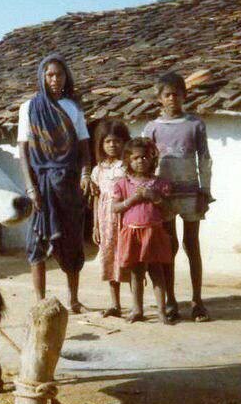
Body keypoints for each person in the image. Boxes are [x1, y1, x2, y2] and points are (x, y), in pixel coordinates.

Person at [17, 54, 92, 313]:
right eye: (49, 74)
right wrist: (30, 188)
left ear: (66, 77)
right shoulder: (29, 108)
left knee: (72, 242)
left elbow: (84, 147)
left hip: (68, 184)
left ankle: (73, 299)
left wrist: (85, 175)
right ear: (41, 77)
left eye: (59, 74)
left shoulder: (73, 108)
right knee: (36, 243)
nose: (54, 79)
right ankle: (40, 301)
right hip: (41, 184)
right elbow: (23, 152)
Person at [142, 72, 214, 322]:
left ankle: (197, 301)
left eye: (176, 94)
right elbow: (145, 163)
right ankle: (171, 300)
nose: (172, 98)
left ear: (185, 95)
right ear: (159, 99)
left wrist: (206, 190)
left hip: (191, 192)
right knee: (168, 247)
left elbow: (204, 159)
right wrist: (149, 192)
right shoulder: (152, 128)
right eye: (167, 95)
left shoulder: (195, 125)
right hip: (164, 195)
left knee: (192, 245)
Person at [112, 138, 174, 324]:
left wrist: (155, 198)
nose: (141, 161)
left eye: (145, 157)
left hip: (153, 232)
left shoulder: (160, 183)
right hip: (132, 233)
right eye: (136, 157)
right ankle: (137, 310)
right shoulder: (123, 184)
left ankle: (162, 311)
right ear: (128, 161)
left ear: (152, 159)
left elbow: (170, 209)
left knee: (157, 272)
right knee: (136, 274)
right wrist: (133, 199)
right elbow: (115, 208)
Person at [90, 119, 131, 317]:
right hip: (106, 222)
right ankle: (115, 304)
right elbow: (97, 199)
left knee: (129, 259)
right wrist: (95, 226)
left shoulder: (128, 167)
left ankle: (137, 304)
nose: (112, 145)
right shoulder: (98, 170)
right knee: (109, 259)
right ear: (101, 144)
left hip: (126, 219)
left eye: (116, 141)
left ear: (124, 142)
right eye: (107, 142)